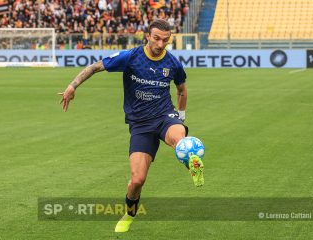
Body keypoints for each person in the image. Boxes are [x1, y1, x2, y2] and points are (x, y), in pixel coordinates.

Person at [58, 19, 204, 233]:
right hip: (140, 125)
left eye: (165, 40)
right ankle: (129, 213)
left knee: (180, 139)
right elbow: (95, 67)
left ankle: (192, 162)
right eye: (156, 38)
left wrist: (180, 117)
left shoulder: (172, 63)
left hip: (165, 117)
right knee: (137, 180)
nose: (161, 44)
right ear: (147, 36)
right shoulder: (131, 57)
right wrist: (72, 86)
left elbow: (182, 90)